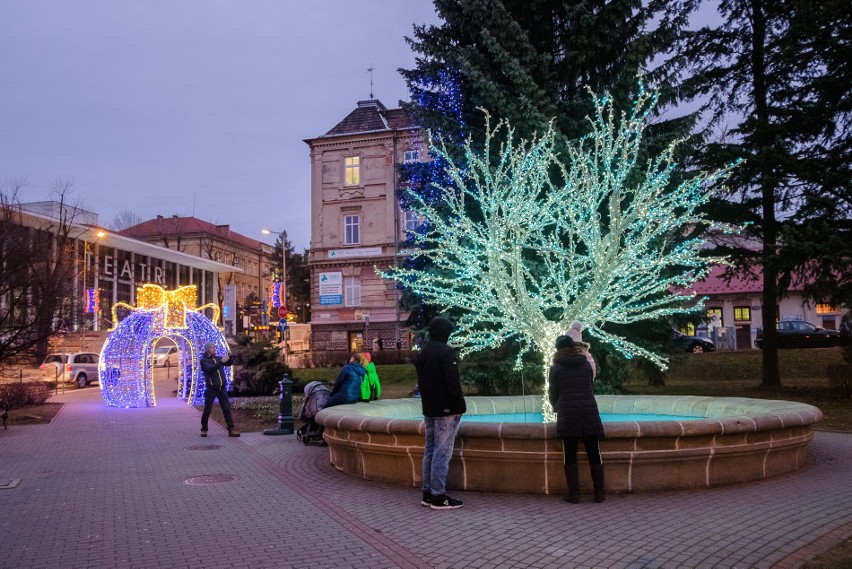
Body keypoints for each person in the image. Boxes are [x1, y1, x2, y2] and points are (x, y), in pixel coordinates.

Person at [414, 317, 466, 510]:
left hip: (429, 408)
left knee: (430, 450)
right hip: (446, 409)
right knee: (442, 453)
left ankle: (427, 492)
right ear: (445, 332)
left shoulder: (423, 352)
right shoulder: (446, 352)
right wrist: (460, 406)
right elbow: (453, 384)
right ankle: (438, 495)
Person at [548, 334, 605, 503]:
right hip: (589, 410)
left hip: (567, 412)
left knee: (570, 454)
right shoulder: (586, 364)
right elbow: (590, 386)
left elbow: (553, 393)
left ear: (558, 350)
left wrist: (556, 407)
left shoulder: (556, 367)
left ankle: (574, 494)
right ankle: (599, 493)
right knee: (594, 452)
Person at [199, 342, 239, 438]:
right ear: (208, 350)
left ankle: (231, 429)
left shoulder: (218, 358)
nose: (214, 349)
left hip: (222, 389)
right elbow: (210, 369)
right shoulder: (204, 361)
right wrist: (221, 361)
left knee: (226, 408)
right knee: (207, 410)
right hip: (211, 389)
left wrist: (230, 356)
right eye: (212, 348)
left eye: (214, 347)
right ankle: (204, 429)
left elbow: (229, 363)